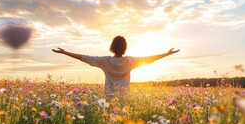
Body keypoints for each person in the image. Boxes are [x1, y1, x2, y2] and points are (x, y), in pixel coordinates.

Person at [52, 36, 180, 95]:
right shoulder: (130, 61)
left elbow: (84, 58)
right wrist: (167, 54)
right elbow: (150, 59)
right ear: (125, 48)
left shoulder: (105, 61)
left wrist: (65, 52)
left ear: (112, 47)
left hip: (108, 99)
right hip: (125, 98)